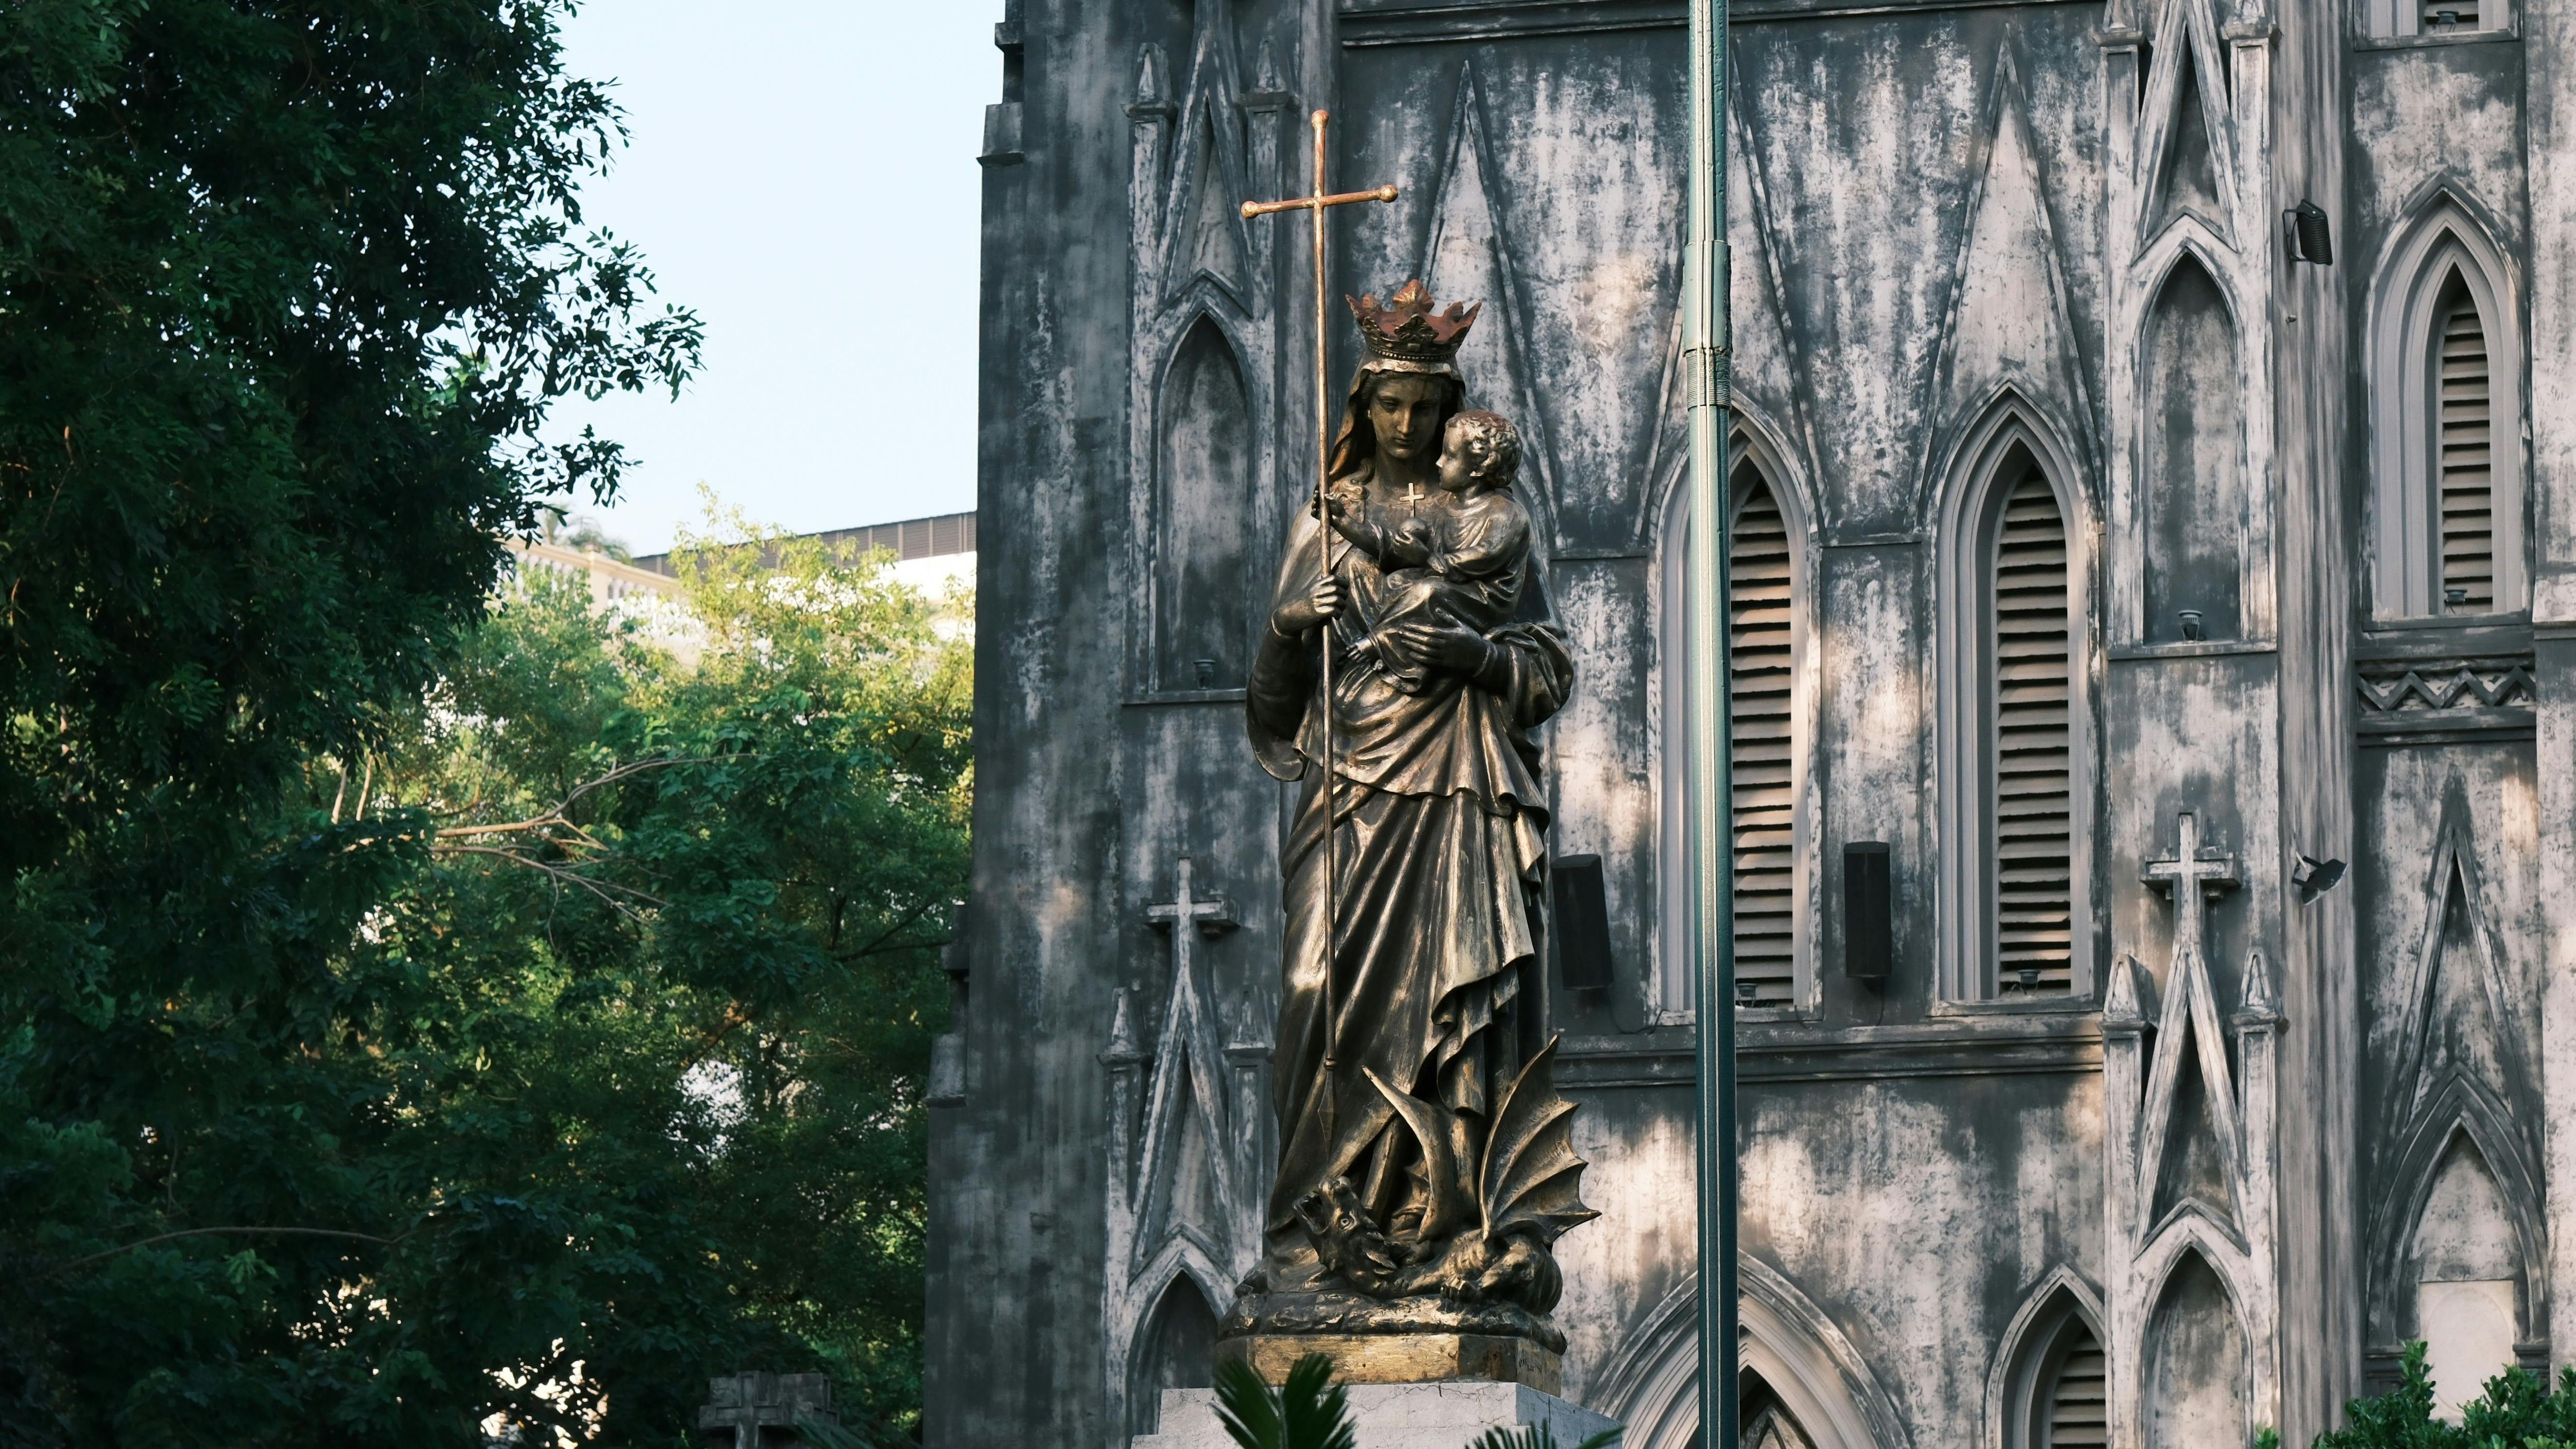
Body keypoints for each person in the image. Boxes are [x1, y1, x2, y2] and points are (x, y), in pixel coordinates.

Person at [1243, 282, 1579, 1307]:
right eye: (1387, 402)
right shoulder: (1329, 517)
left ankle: (1432, 1227)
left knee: (1453, 1023)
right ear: (1363, 404)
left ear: (1447, 413)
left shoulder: (1483, 520)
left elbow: (1549, 663)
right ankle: (1310, 1237)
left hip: (1456, 790)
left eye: (1423, 405)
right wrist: (1295, 620)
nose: (1404, 422)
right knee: (1311, 989)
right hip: (1350, 786)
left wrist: (1476, 652)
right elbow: (1268, 695)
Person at [1319, 408, 1532, 696]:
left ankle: (1381, 642)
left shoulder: (1506, 513)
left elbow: (1483, 557)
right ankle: (1367, 653)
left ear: (1480, 467)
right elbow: (1394, 549)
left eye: (1450, 455)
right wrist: (1340, 520)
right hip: (1447, 588)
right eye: (1390, 405)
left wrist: (1429, 559)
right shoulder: (1447, 508)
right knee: (1392, 579)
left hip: (1483, 601)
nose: (1439, 462)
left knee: (1428, 592)